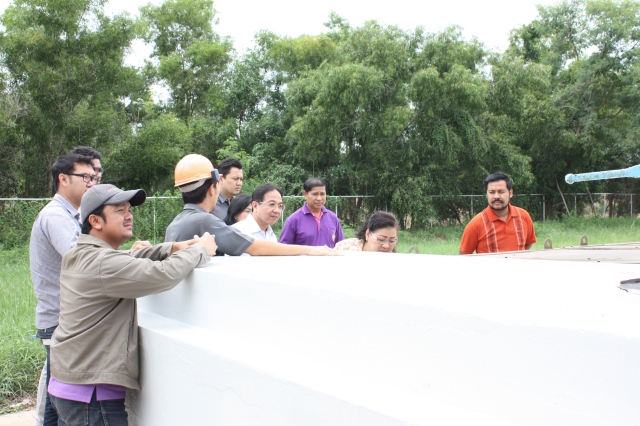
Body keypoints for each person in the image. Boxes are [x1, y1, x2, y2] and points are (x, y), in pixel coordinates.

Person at [48, 184, 217, 426]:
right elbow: (163, 274)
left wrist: (172, 247)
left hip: (69, 386)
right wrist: (200, 249)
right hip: (92, 395)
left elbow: (127, 259)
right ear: (95, 221)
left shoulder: (79, 254)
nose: (129, 216)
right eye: (120, 210)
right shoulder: (102, 263)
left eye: (129, 209)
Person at [30, 153, 97, 426]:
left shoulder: (72, 215)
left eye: (94, 178)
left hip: (63, 321)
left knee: (56, 400)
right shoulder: (56, 215)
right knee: (60, 404)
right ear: (63, 179)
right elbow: (79, 258)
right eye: (85, 177)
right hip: (60, 322)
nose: (91, 183)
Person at [164, 154, 339, 257]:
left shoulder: (175, 223)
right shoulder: (205, 220)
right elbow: (255, 247)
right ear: (212, 189)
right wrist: (310, 250)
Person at [459, 172, 537, 254]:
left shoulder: (523, 216)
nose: (496, 196)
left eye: (501, 192)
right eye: (492, 192)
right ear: (487, 194)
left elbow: (528, 243)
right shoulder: (476, 224)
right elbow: (464, 254)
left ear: (510, 193)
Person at [279, 177, 345, 248]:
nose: (319, 198)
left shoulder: (332, 217)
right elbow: (282, 249)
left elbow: (341, 245)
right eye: (315, 194)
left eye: (322, 194)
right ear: (305, 194)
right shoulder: (293, 220)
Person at [335, 211, 400, 252]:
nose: (386, 246)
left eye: (391, 241)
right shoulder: (345, 248)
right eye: (381, 239)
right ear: (368, 234)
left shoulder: (395, 261)